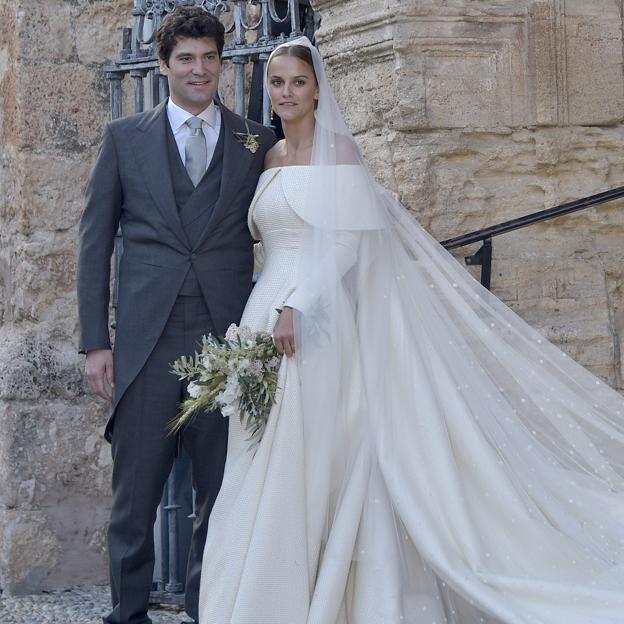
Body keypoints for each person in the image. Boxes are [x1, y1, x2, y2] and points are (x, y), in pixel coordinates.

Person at [197, 37, 624, 623]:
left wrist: (298, 303)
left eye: (298, 81)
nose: (287, 93)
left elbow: (347, 242)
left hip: (309, 320)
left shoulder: (340, 153)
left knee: (305, 454)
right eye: (277, 83)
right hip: (259, 321)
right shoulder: (268, 160)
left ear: (318, 88)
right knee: (255, 457)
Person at [76, 7, 275, 624]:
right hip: (145, 345)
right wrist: (95, 342)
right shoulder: (124, 139)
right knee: (134, 502)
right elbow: (94, 240)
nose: (199, 70)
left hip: (229, 340)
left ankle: (204, 611)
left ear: (223, 64)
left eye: (209, 58)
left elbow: (299, 208)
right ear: (164, 66)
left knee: (220, 498)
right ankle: (126, 616)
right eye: (186, 59)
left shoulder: (255, 141)